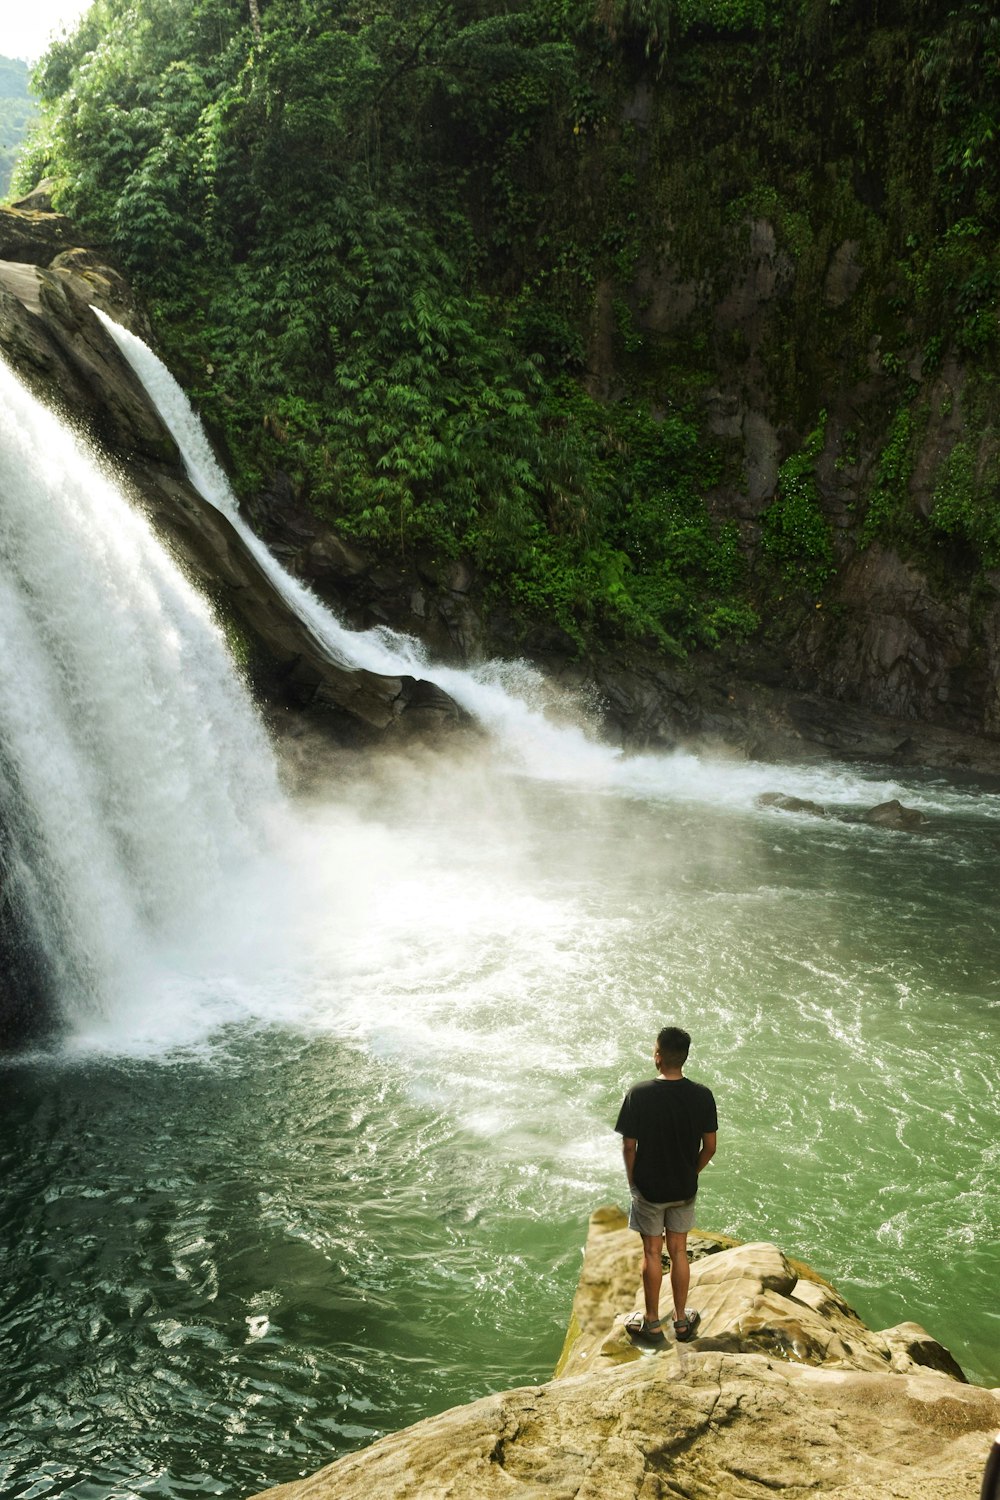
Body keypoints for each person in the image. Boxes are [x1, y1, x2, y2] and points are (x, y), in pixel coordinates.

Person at [614, 1025, 718, 1349]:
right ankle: (682, 1322)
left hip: (649, 1189)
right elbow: (710, 1147)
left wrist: (633, 1182)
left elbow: (629, 1146)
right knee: (679, 1251)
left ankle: (652, 1324)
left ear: (657, 1056)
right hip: (683, 1188)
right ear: (684, 1058)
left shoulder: (638, 1094)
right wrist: (692, 1171)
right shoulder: (702, 1096)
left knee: (651, 1253)